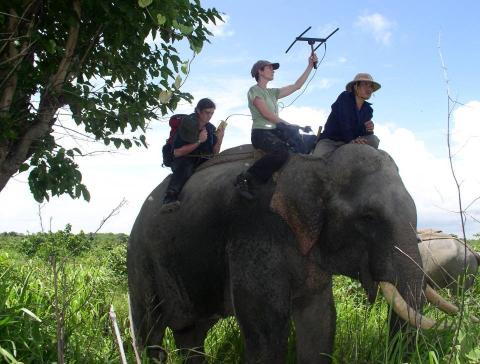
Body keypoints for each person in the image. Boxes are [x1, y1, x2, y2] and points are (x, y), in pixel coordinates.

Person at [235, 54, 318, 200]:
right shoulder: (254, 90)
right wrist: (289, 125)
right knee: (281, 152)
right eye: (270, 68)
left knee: (309, 140)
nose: (273, 71)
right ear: (260, 71)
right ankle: (246, 177)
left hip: (275, 130)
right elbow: (266, 114)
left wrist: (310, 66)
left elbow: (296, 86)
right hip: (261, 133)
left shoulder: (272, 93)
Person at [161, 98, 224, 213]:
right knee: (185, 166)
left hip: (202, 159)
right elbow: (177, 152)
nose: (210, 116)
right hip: (182, 159)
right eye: (207, 112)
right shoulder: (187, 124)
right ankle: (170, 197)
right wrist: (199, 141)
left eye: (212, 113)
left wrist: (219, 138)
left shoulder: (210, 128)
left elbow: (215, 153)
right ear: (198, 111)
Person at [314, 73, 381, 158]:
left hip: (351, 143)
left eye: (371, 86)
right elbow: (344, 122)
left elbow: (362, 132)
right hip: (331, 141)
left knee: (374, 139)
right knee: (318, 158)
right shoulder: (344, 97)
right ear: (356, 86)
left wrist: (369, 129)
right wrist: (352, 140)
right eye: (365, 84)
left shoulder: (368, 110)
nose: (369, 88)